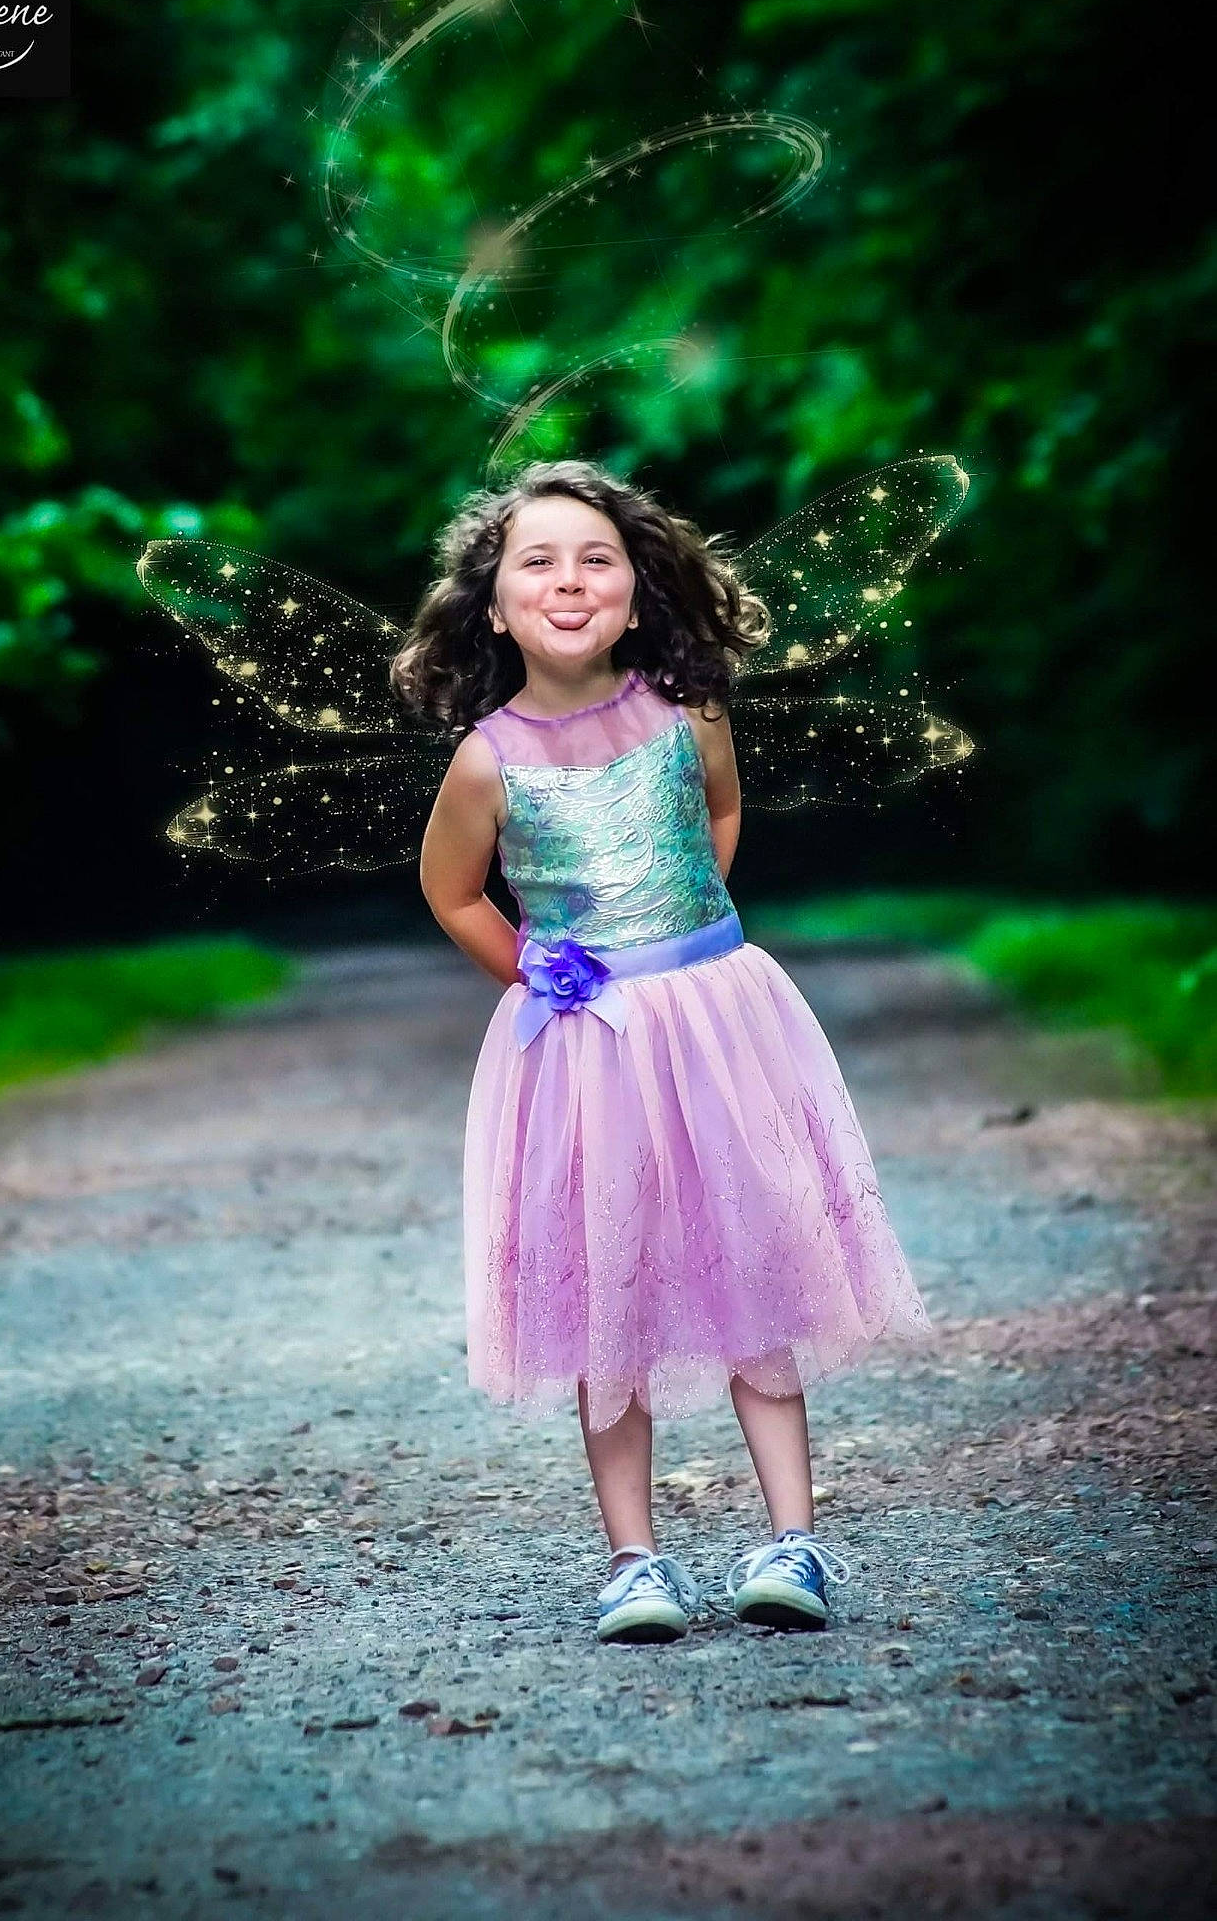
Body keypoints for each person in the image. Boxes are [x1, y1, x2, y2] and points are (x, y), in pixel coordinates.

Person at [392, 459, 929, 1644]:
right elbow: (452, 891)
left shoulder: (688, 714)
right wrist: (543, 969)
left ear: (637, 593)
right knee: (609, 1285)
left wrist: (690, 945)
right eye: (538, 559)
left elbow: (720, 814)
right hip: (586, 1045)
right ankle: (634, 1558)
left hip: (720, 1020)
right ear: (494, 603)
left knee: (755, 1257)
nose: (569, 579)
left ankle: (793, 1536)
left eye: (597, 558)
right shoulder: (488, 758)